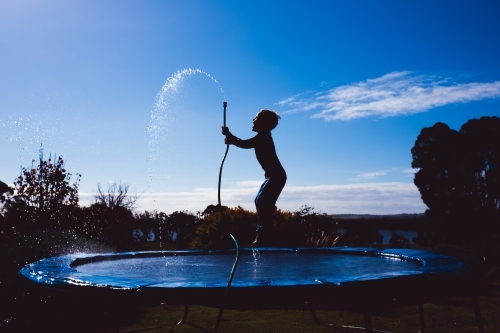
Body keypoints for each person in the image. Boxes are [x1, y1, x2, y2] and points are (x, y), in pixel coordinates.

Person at [221, 109, 287, 246]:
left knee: (262, 201)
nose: (253, 120)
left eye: (256, 118)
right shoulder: (263, 136)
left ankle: (263, 235)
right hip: (272, 177)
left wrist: (230, 136)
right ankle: (264, 229)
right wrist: (231, 138)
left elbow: (245, 144)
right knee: (259, 200)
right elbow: (243, 143)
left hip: (277, 176)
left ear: (263, 123)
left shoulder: (263, 136)